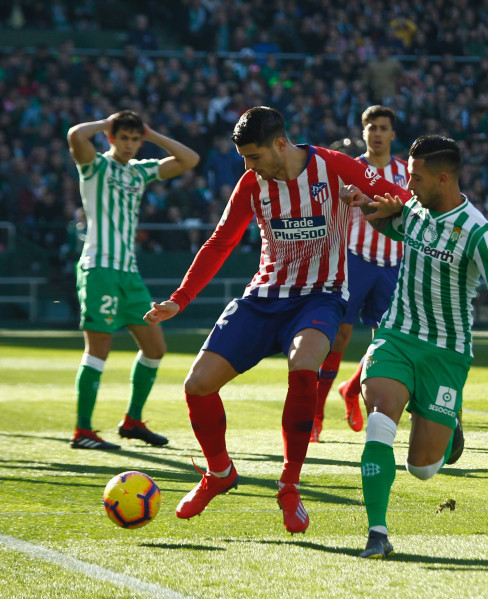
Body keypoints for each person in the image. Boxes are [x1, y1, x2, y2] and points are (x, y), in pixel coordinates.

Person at [143, 107, 410, 534]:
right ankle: (219, 472)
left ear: (281, 144)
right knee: (197, 385)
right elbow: (221, 241)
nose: (248, 166)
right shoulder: (253, 183)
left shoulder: (333, 166)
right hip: (264, 296)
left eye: (254, 156)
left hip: (321, 296)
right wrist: (180, 299)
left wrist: (378, 205)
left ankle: (289, 485)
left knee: (303, 364)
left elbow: (400, 201)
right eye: (244, 158)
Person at [350, 135, 488, 558]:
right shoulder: (413, 209)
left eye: (416, 177)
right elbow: (390, 224)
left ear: (443, 178)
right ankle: (377, 532)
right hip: (396, 335)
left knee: (423, 468)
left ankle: (449, 426)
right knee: (379, 419)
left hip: (447, 352)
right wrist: (368, 207)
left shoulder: (479, 231)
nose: (408, 185)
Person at [67, 110, 199, 450]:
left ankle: (132, 421)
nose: (129, 144)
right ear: (111, 138)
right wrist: (106, 122)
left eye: (134, 139)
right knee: (98, 351)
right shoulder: (95, 166)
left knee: (155, 349)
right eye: (123, 137)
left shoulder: (140, 171)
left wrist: (152, 134)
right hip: (99, 270)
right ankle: (83, 431)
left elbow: (190, 159)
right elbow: (75, 136)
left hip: (129, 273)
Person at [313, 105, 408, 440]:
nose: (377, 133)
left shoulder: (405, 171)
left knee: (385, 343)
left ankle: (352, 389)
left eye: (383, 128)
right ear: (364, 132)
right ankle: (316, 415)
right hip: (354, 262)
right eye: (372, 127)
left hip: (394, 266)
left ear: (393, 134)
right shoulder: (350, 169)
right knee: (338, 337)